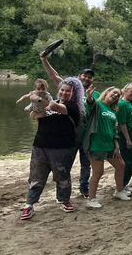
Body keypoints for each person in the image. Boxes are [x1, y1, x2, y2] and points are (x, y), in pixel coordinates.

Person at [20, 77, 84, 220]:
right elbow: (34, 115)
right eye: (62, 90)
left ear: (73, 93)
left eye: (68, 91)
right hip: (40, 145)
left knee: (62, 176)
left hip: (62, 147)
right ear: (58, 90)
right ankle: (29, 204)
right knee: (36, 177)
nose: (64, 93)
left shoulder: (74, 106)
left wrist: (37, 98)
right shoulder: (47, 102)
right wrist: (35, 111)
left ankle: (64, 200)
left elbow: (56, 108)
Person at [40, 54, 98, 198]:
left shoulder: (95, 93)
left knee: (86, 164)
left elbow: (99, 108)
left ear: (92, 80)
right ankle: (63, 193)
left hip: (87, 135)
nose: (86, 78)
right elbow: (54, 76)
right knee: (66, 164)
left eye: (90, 77)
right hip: (70, 134)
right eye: (84, 75)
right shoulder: (69, 90)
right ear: (79, 76)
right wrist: (44, 60)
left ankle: (84, 188)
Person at [84, 86, 130, 208]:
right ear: (107, 92)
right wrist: (89, 96)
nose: (115, 95)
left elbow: (114, 129)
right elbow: (89, 104)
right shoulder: (97, 105)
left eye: (118, 95)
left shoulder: (113, 110)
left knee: (121, 165)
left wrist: (116, 145)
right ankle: (91, 199)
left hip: (110, 145)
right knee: (98, 172)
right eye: (114, 92)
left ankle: (119, 191)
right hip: (96, 145)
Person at [116, 83, 132, 191]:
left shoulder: (128, 103)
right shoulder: (122, 104)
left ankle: (123, 185)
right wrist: (127, 139)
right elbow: (122, 123)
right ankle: (120, 186)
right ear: (125, 91)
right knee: (129, 162)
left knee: (131, 161)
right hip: (126, 135)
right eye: (131, 91)